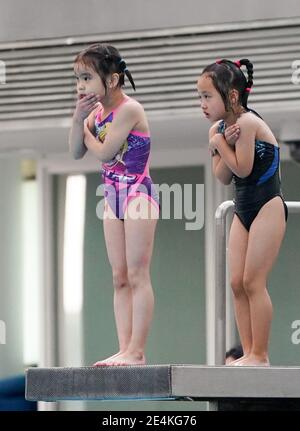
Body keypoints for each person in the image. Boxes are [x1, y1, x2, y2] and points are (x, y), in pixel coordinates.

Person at [69, 43, 159, 366]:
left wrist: (86, 130)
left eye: (87, 78)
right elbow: (76, 152)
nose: (80, 85)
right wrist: (79, 119)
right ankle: (124, 348)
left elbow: (105, 152)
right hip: (112, 199)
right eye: (77, 79)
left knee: (137, 274)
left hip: (138, 195)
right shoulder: (94, 114)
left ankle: (137, 350)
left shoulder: (130, 110)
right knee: (118, 276)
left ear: (113, 80)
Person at [197, 58, 288, 366]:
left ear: (232, 96)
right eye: (201, 97)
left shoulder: (247, 123)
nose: (203, 104)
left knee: (253, 281)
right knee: (236, 282)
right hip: (243, 209)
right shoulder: (219, 129)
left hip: (268, 207)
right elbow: (223, 176)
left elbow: (243, 167)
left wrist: (219, 144)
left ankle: (260, 354)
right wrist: (219, 141)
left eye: (208, 96)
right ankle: (248, 352)